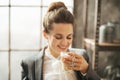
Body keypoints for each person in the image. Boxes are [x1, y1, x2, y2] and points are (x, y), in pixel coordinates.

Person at [21, 1, 100, 80]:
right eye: (58, 37)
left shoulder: (82, 56)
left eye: (69, 37)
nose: (65, 43)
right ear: (45, 34)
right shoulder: (30, 64)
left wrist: (85, 69)